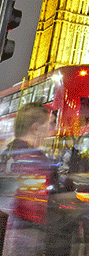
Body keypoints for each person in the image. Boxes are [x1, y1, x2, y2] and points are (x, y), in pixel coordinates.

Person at [0, 101, 55, 256]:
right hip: (24, 236)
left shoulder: (7, 152)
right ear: (36, 128)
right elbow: (34, 209)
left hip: (6, 231)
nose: (52, 130)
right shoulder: (35, 159)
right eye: (49, 124)